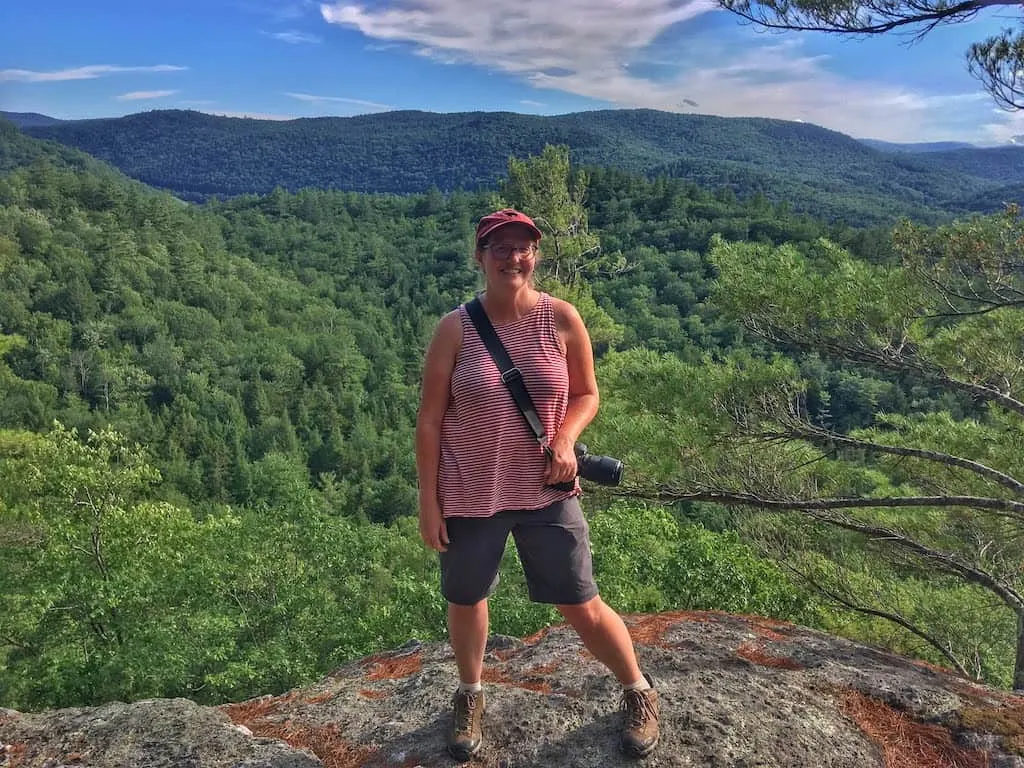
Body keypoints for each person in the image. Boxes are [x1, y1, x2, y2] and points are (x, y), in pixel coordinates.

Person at [415, 207, 660, 761]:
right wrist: (427, 502)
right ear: (480, 257)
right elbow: (430, 419)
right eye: (498, 247)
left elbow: (587, 394)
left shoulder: (562, 319)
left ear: (536, 255)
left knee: (581, 602)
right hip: (470, 487)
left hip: (546, 488)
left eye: (522, 247)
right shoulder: (455, 328)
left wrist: (568, 439)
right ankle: (471, 693)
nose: (512, 257)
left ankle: (639, 690)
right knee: (467, 597)